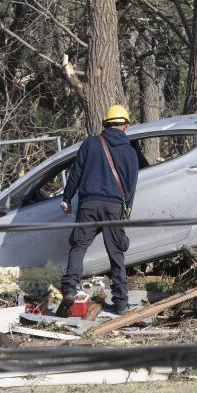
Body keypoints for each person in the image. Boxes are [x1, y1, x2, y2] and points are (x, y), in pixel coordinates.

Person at [58, 104, 139, 315]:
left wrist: (67, 198)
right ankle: (121, 303)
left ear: (106, 124)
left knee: (78, 246)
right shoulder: (130, 151)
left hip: (89, 205)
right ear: (125, 126)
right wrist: (126, 209)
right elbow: (131, 184)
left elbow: (75, 173)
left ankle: (69, 289)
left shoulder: (91, 143)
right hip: (114, 206)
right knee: (116, 253)